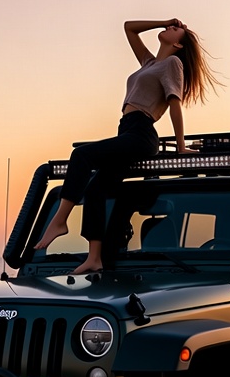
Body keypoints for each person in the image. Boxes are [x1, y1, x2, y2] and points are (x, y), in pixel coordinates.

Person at [33, 17, 218, 274]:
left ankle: (60, 220)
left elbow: (175, 103)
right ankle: (95, 257)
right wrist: (163, 21)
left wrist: (181, 146)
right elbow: (129, 28)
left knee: (81, 156)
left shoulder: (173, 64)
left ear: (178, 45)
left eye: (176, 29)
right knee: (96, 188)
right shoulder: (150, 63)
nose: (170, 28)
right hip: (126, 130)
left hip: (141, 134)